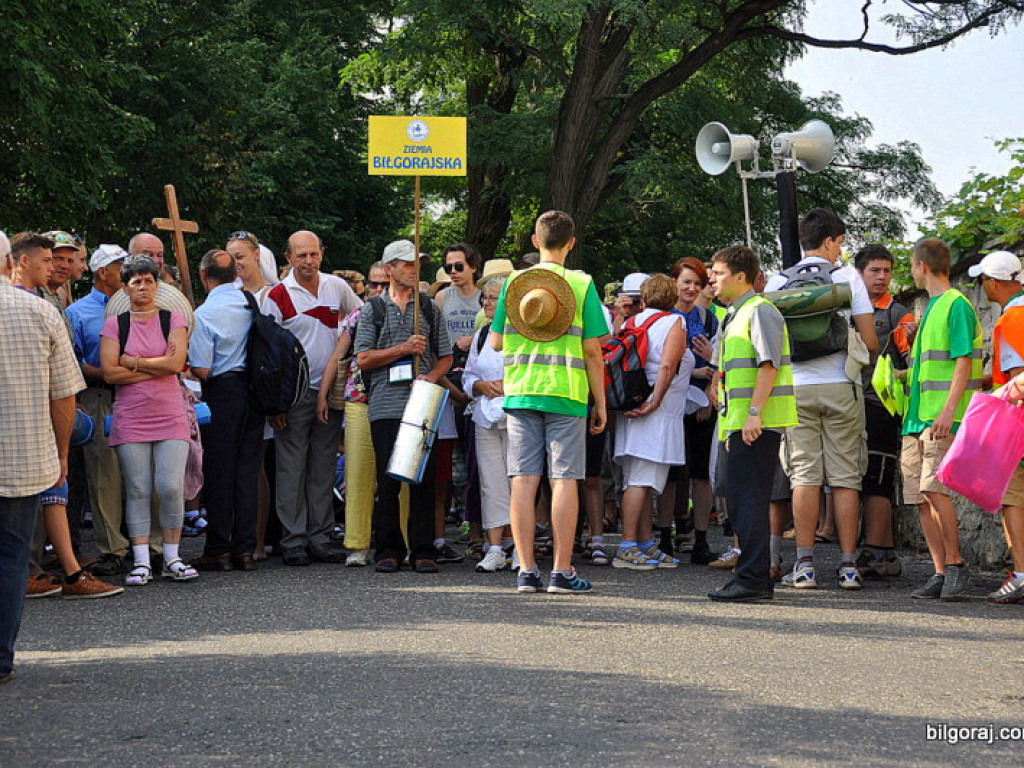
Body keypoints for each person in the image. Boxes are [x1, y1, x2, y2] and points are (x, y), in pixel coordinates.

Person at [489, 210, 608, 593]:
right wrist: (600, 403)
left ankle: (525, 570)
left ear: (535, 241)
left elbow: (496, 342)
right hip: (567, 393)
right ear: (571, 242)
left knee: (523, 480)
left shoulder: (514, 283)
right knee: (564, 480)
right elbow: (593, 351)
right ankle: (561, 570)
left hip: (522, 389)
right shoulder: (581, 283)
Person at [763, 208, 878, 591]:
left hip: (795, 389)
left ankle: (805, 565)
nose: (840, 251)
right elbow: (870, 339)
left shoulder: (777, 282)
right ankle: (847, 567)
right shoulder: (848, 278)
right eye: (839, 243)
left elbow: (769, 343)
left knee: (804, 477)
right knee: (846, 478)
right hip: (840, 384)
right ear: (828, 241)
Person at [11, 233, 122, 601]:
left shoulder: (51, 300)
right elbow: (60, 382)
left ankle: (62, 567)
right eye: (50, 259)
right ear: (21, 261)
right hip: (34, 417)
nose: (58, 265)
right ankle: (37, 571)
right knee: (37, 494)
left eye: (65, 259)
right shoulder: (37, 306)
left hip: (41, 414)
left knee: (53, 493)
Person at [0, 229, 85, 683]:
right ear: (12, 261)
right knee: (12, 557)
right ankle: (0, 658)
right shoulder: (39, 311)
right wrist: (62, 452)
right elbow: (64, 395)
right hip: (23, 457)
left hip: (23, 456)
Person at [261, 230, 362, 565]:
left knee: (322, 464)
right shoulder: (276, 295)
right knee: (291, 467)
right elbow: (267, 354)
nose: (308, 261)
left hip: (330, 389)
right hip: (293, 393)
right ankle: (292, 541)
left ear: (322, 253)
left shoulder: (337, 286)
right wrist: (274, 402)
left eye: (313, 254)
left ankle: (320, 537)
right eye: (301, 255)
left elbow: (361, 319)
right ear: (287, 258)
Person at [354, 240, 452, 573]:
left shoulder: (428, 308)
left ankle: (423, 550)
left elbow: (447, 356)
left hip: (421, 401)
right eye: (408, 264)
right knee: (388, 480)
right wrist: (402, 348)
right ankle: (387, 549)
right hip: (385, 403)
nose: (414, 269)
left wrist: (431, 376)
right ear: (390, 268)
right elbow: (363, 359)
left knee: (421, 480)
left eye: (418, 264)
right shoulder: (373, 309)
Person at [707, 245, 798, 601]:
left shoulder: (760, 311)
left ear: (741, 276)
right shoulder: (735, 314)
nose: (712, 278)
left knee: (750, 502)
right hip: (738, 423)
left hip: (755, 425)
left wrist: (754, 415)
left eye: (719, 272)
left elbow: (768, 365)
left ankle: (754, 579)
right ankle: (751, 575)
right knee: (741, 501)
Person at [100, 256, 197, 585]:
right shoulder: (116, 324)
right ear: (125, 288)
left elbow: (176, 364)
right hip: (131, 415)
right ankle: (141, 560)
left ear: (157, 284)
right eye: (136, 281)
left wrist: (135, 362)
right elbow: (110, 371)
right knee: (138, 488)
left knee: (170, 487)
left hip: (170, 413)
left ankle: (172, 555)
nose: (143, 286)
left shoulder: (173, 319)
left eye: (148, 280)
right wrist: (154, 366)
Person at [902, 237, 983, 600]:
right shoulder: (932, 307)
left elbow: (964, 361)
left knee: (934, 491)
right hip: (916, 418)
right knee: (920, 496)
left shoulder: (955, 305)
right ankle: (939, 571)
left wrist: (949, 412)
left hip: (939, 417)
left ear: (921, 265)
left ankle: (955, 565)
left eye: (911, 265)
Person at [318, 261, 406, 567]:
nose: (378, 289)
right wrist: (324, 395)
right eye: (373, 284)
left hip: (400, 400)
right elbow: (337, 356)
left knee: (402, 474)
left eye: (384, 283)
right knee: (358, 473)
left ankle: (404, 541)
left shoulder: (409, 312)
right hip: (360, 398)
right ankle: (357, 543)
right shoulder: (359, 314)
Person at [612, 274, 693, 570]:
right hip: (656, 411)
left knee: (639, 480)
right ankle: (627, 546)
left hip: (630, 405)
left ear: (643, 298)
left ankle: (644, 543)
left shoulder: (632, 323)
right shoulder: (675, 323)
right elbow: (669, 365)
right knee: (642, 481)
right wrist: (655, 401)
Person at [188, 250, 263, 572]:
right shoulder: (251, 302)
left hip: (222, 391)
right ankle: (245, 549)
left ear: (204, 276)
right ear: (236, 274)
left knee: (219, 472)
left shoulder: (204, 313)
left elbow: (203, 369)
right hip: (255, 391)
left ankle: (218, 547)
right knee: (247, 472)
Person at [66, 245, 129, 575]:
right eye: (120, 266)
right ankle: (113, 548)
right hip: (99, 396)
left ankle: (151, 545)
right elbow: (72, 361)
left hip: (136, 393)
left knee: (142, 472)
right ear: (102, 271)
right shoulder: (78, 312)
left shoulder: (138, 303)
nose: (125, 272)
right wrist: (106, 370)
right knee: (104, 475)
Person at [854, 244, 916, 578]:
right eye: (874, 271)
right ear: (859, 273)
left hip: (880, 407)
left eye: (887, 271)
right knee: (863, 479)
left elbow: (912, 363)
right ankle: (886, 554)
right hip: (852, 405)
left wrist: (900, 367)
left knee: (876, 480)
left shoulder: (898, 314)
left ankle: (875, 554)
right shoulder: (849, 309)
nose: (882, 277)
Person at [968, 250, 1024, 603]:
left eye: (983, 280)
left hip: (1018, 423)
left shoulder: (1010, 320)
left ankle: (1020, 574)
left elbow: (1019, 379)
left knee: (1013, 498)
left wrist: (990, 398)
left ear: (993, 282)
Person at [668, 257, 719, 564]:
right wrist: (692, 376)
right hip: (670, 402)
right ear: (674, 282)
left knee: (701, 473)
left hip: (702, 405)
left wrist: (706, 378)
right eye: (686, 282)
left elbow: (717, 363)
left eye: (697, 283)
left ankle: (700, 539)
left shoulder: (709, 318)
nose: (691, 288)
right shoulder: (663, 316)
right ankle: (666, 533)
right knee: (671, 473)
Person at [462, 274, 514, 572]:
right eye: (485, 298)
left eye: (492, 297)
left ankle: (519, 547)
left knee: (518, 481)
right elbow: (469, 375)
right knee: (491, 482)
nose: (486, 302)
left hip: (517, 415)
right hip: (485, 417)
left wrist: (510, 385)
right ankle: (495, 548)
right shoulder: (482, 334)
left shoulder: (524, 331)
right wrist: (481, 387)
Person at [107, 233, 194, 331]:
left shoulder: (174, 302)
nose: (156, 260)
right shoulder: (114, 306)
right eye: (149, 255)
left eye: (160, 255)